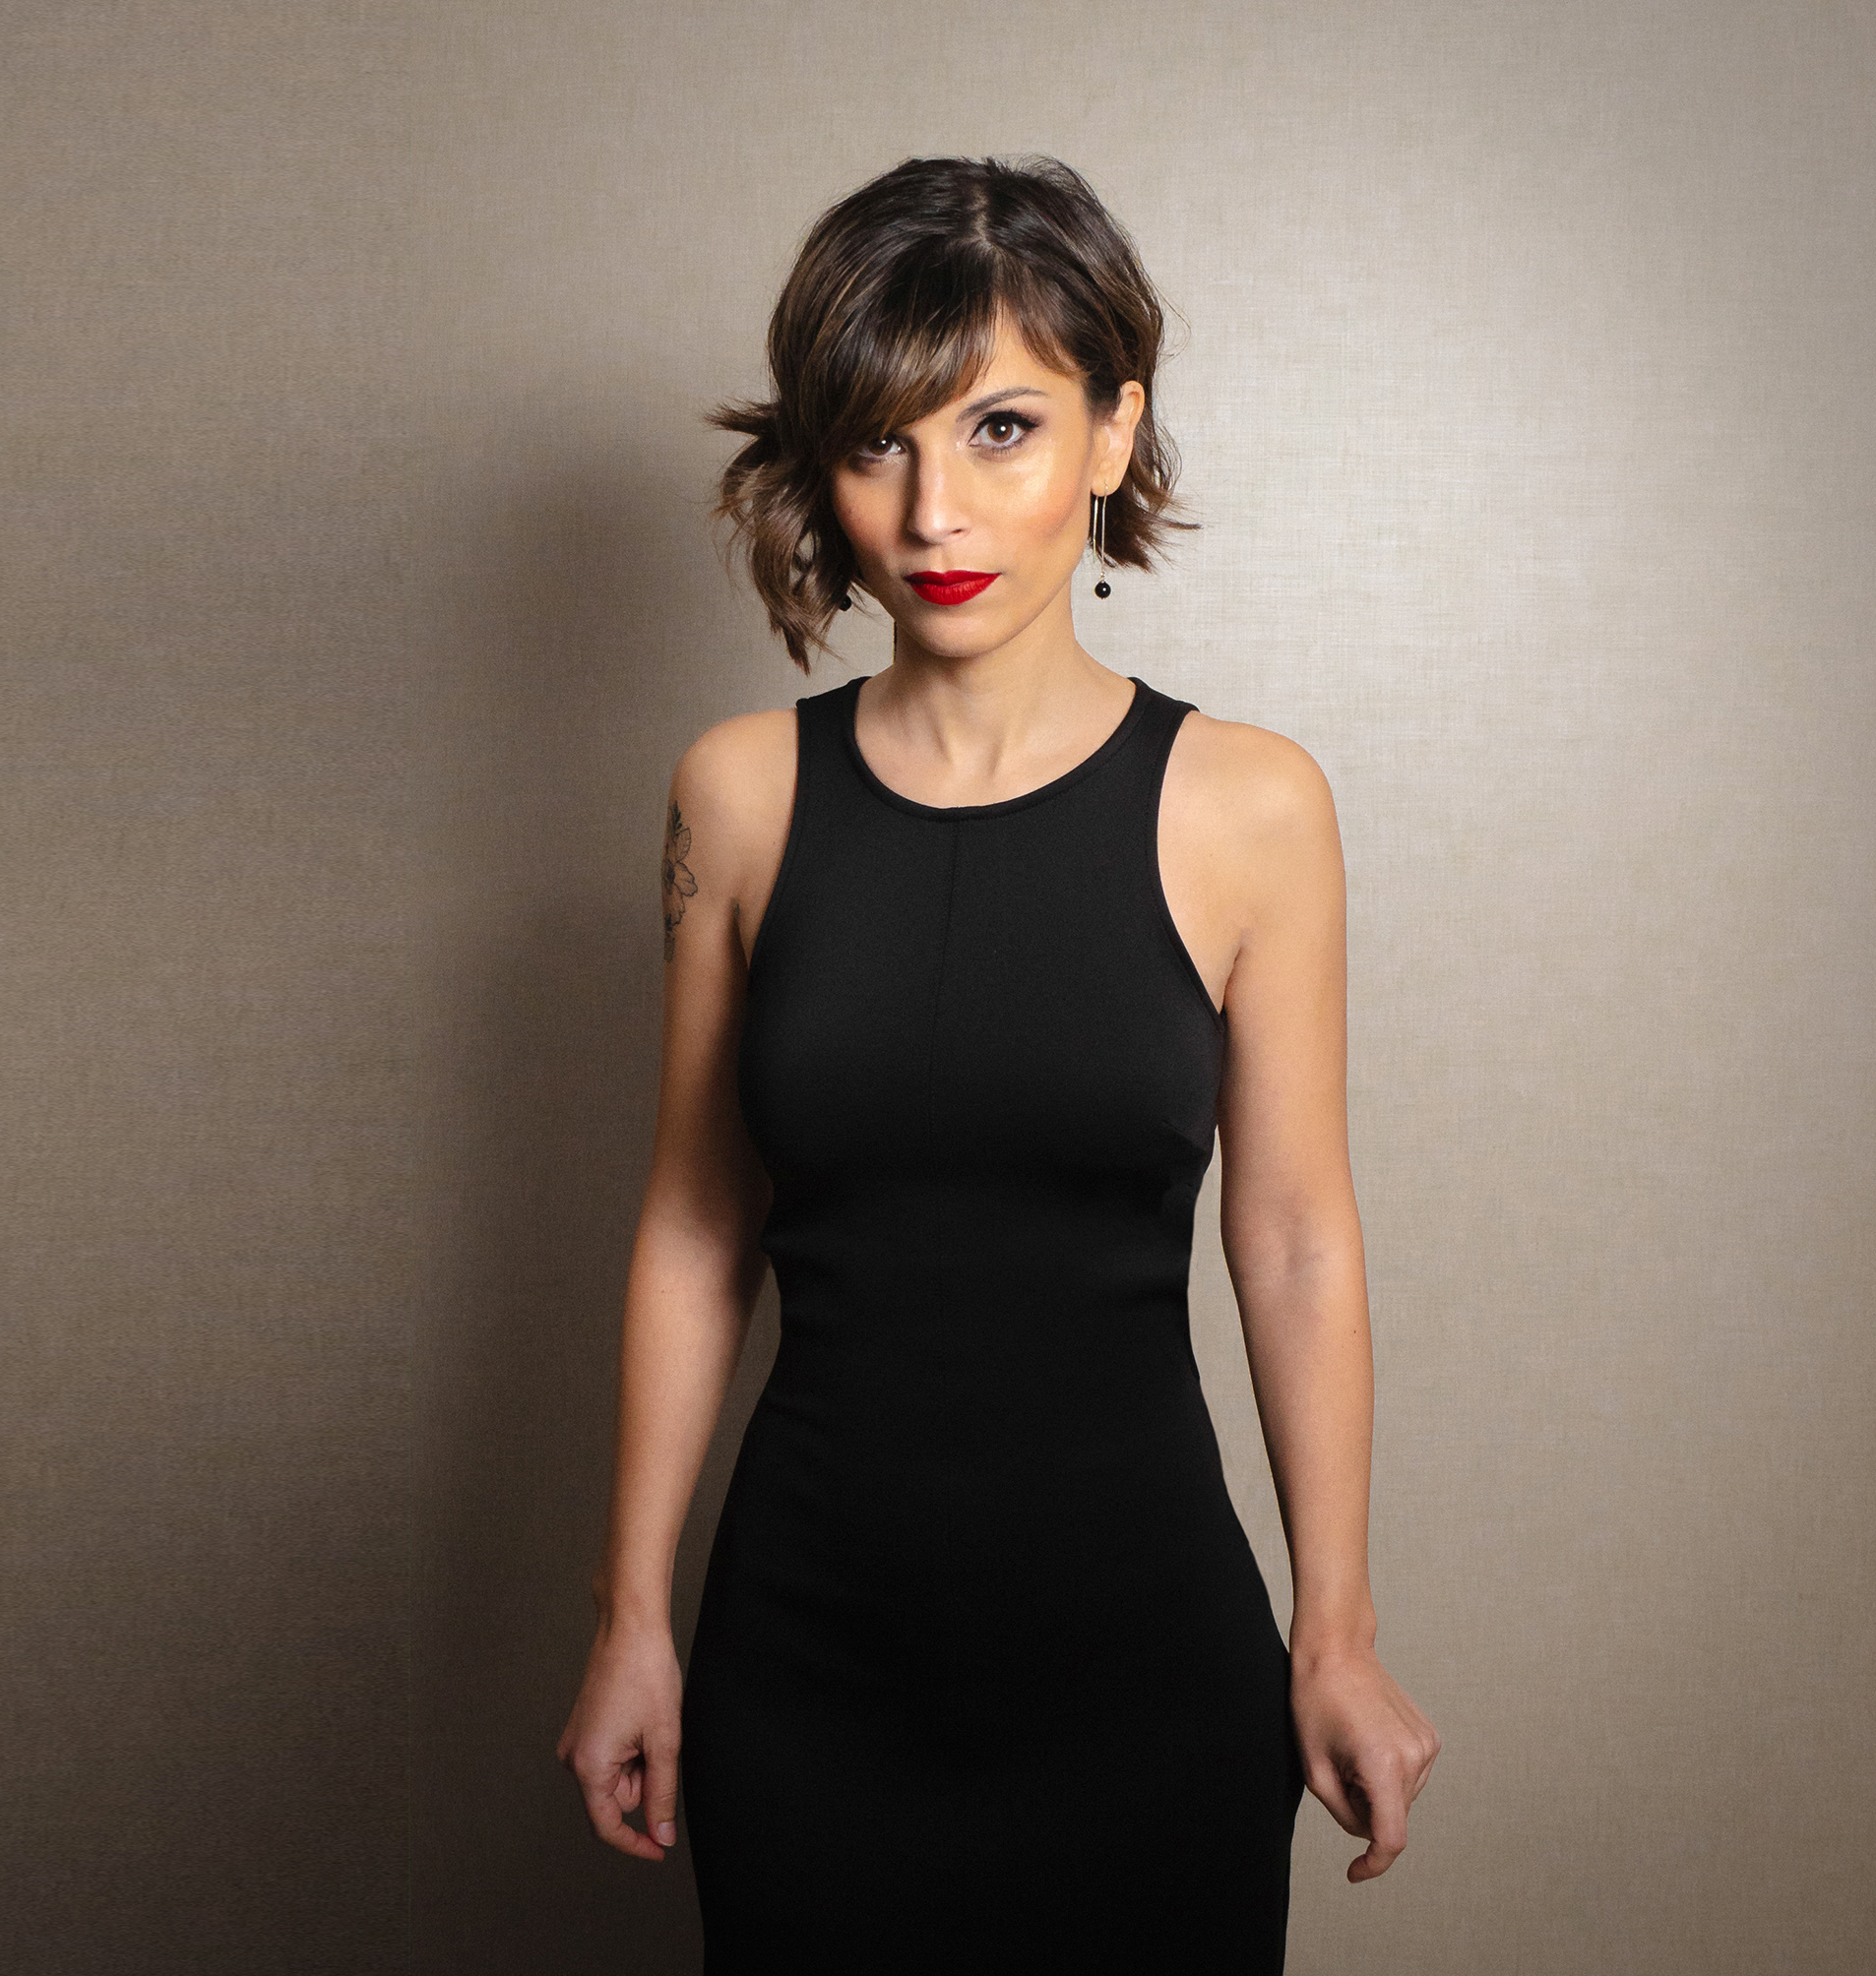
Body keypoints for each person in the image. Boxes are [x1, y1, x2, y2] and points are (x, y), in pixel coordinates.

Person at [557, 154, 1440, 1972]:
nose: (934, 510)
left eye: (1004, 430)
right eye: (879, 444)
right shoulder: (737, 796)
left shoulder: (1251, 807)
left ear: (1114, 432)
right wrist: (632, 1617)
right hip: (809, 1667)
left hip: (1149, 1677)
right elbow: (698, 1231)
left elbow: (1292, 1242)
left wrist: (1337, 1631)